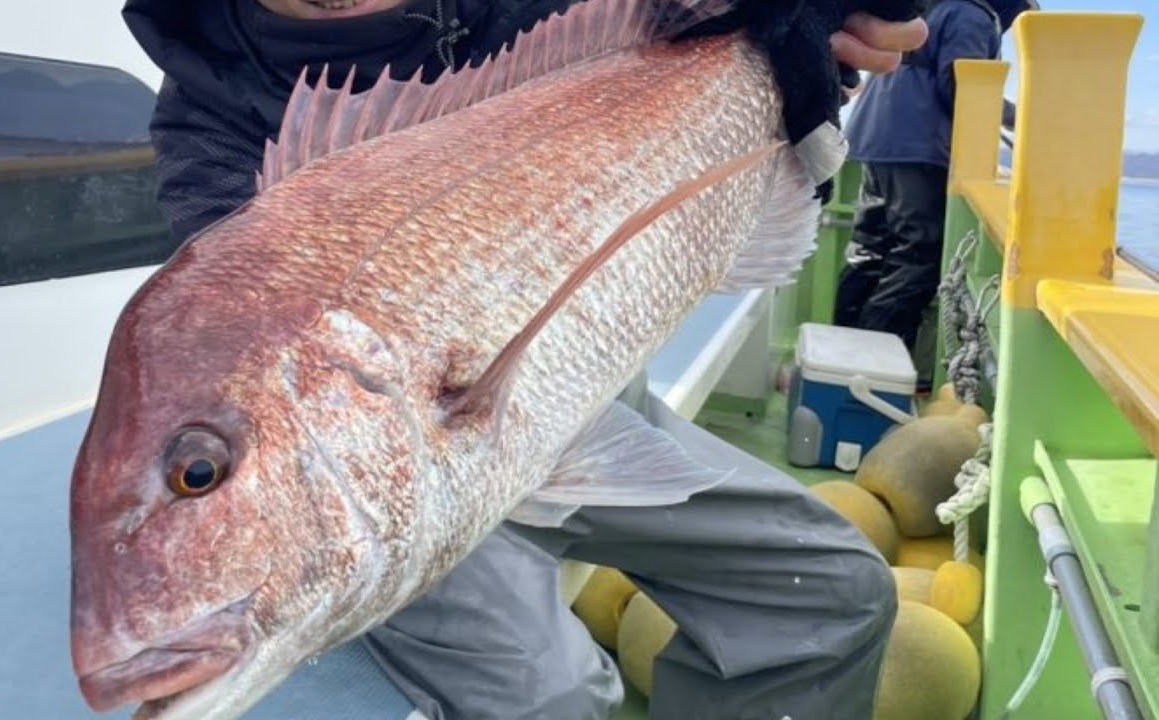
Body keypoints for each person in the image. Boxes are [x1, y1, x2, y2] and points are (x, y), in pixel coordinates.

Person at [122, 1, 928, 718]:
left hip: (575, 391)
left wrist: (805, 25)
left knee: (837, 594)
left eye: (201, 473)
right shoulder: (207, 112)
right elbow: (239, 333)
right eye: (200, 474)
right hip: (423, 460)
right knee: (549, 696)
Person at [835, 0, 1035, 357]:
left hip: (876, 141)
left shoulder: (926, 8)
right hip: (919, 147)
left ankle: (835, 354)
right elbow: (961, 84)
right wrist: (1020, 117)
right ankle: (870, 364)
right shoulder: (972, 14)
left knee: (869, 250)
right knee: (918, 258)